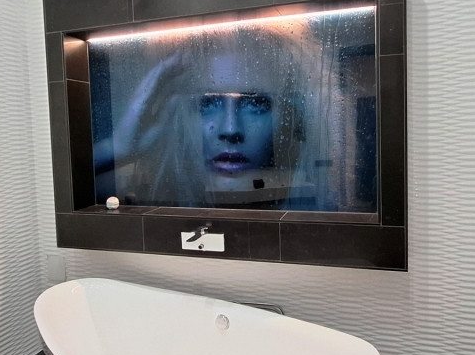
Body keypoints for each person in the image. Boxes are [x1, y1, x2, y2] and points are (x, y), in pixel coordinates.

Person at [91, 13, 375, 211]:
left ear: (292, 115)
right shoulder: (158, 208)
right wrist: (118, 147)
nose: (230, 129)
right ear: (180, 114)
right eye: (209, 103)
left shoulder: (317, 212)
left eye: (256, 104)